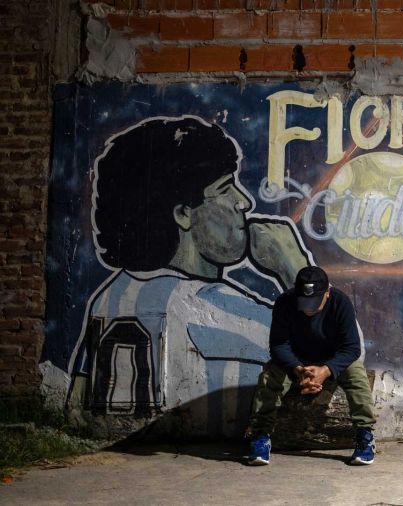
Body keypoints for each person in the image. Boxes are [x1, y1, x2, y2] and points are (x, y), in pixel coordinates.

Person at [66, 116, 310, 434]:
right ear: (183, 214)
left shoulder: (109, 295)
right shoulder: (214, 307)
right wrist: (292, 267)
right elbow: (335, 352)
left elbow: (76, 402)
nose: (244, 201)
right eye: (225, 188)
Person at [247, 266, 377, 466]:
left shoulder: (340, 302)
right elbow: (278, 346)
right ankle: (260, 436)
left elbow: (351, 348)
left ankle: (365, 435)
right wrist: (298, 369)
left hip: (332, 359)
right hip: (297, 361)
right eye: (304, 301)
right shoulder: (284, 302)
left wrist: (326, 370)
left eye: (315, 301)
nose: (309, 308)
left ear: (327, 292)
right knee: (269, 377)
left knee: (356, 373)